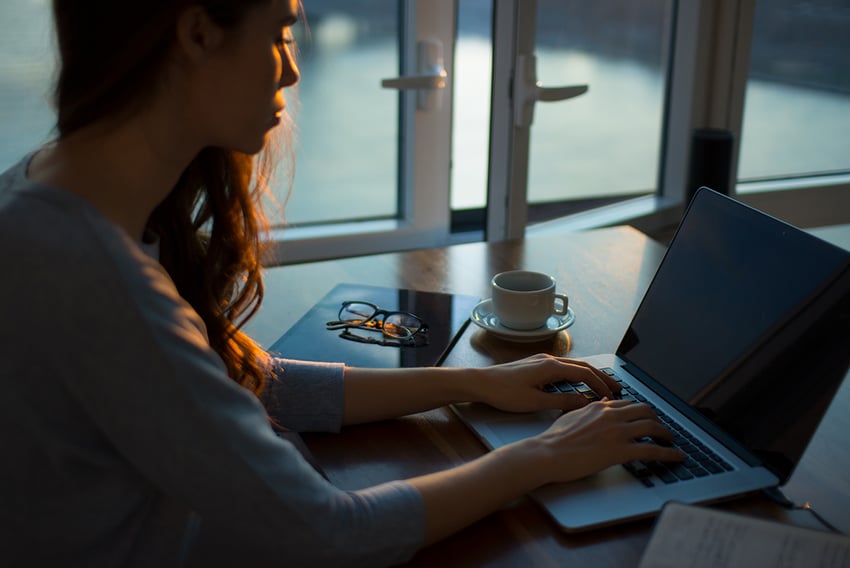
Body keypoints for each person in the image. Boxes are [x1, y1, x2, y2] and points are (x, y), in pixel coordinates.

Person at [0, 0, 683, 565]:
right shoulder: (99, 283)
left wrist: (468, 383)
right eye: (279, 32)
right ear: (197, 32)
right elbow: (332, 534)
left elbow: (236, 381)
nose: (292, 69)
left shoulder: (43, 189)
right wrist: (541, 456)